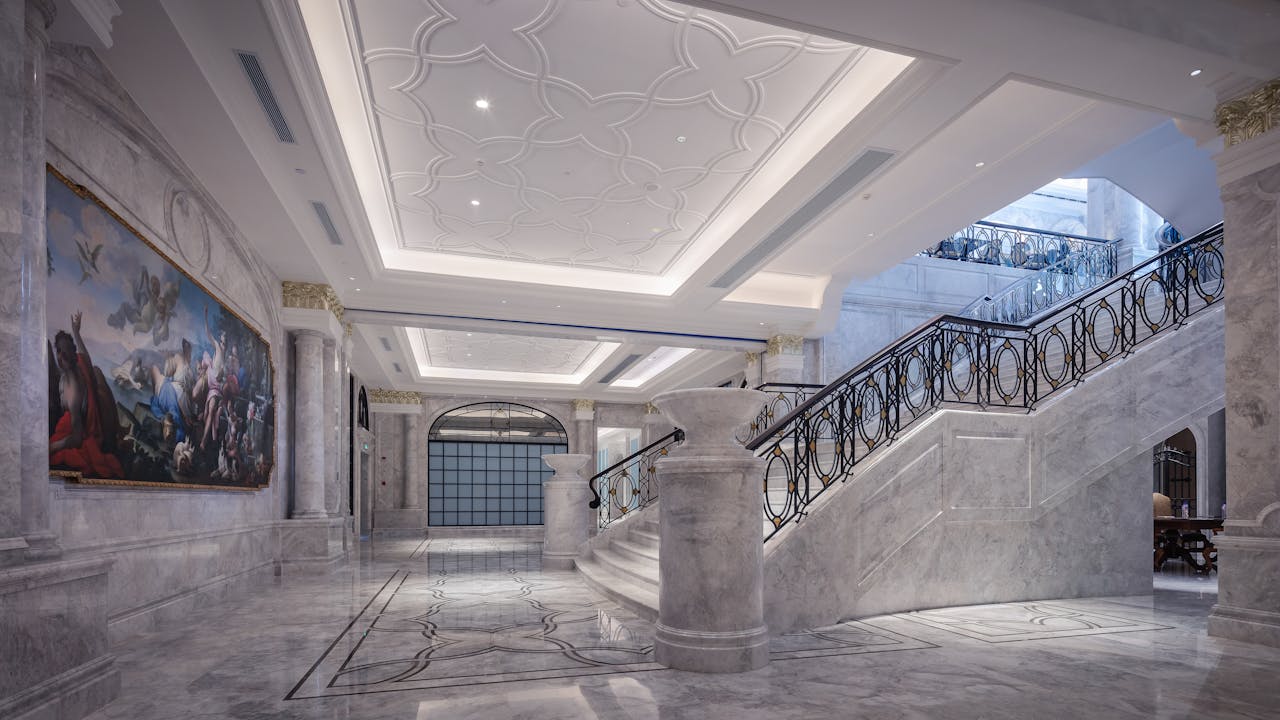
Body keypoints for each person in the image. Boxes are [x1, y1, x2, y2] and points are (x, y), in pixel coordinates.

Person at [50, 311, 124, 478]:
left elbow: (76, 438)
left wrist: (53, 447)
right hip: (84, 404)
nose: (62, 356)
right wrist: (76, 332)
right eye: (59, 352)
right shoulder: (65, 377)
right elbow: (86, 359)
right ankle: (118, 429)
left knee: (98, 377)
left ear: (73, 354)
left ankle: (116, 429)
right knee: (95, 371)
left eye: (66, 351)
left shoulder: (74, 387)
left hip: (88, 427)